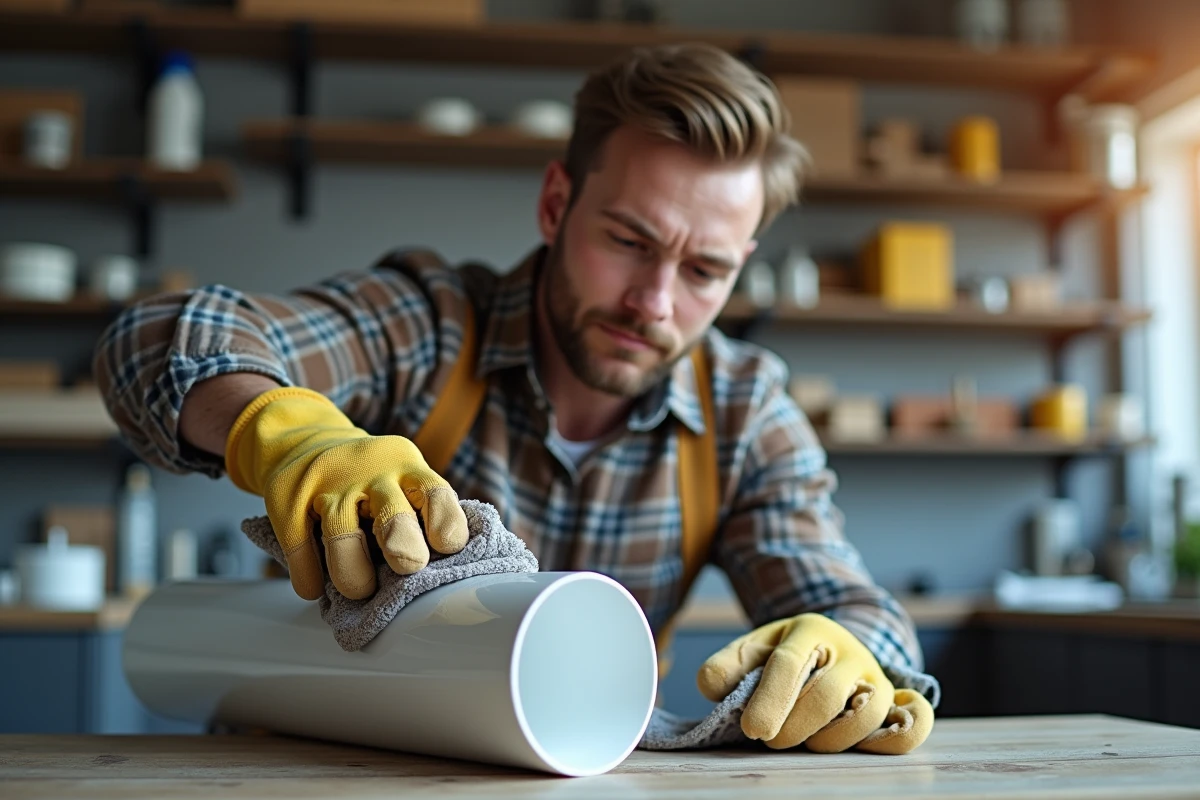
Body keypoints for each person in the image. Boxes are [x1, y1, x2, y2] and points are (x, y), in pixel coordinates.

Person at [95, 42, 937, 753]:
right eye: (627, 240)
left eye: (705, 271)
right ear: (555, 203)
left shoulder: (743, 411)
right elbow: (158, 337)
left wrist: (854, 652)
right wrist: (292, 438)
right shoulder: (429, 326)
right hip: (323, 769)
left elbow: (850, 607)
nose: (654, 301)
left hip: (579, 769)